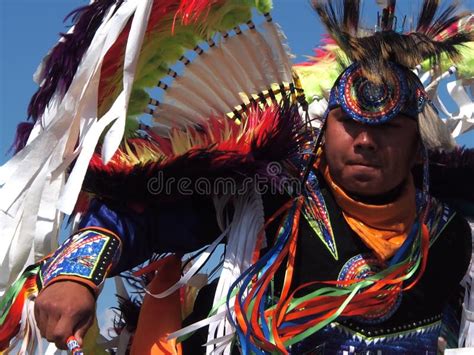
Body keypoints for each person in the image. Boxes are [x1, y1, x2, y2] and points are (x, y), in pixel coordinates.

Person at [1, 0, 473, 354]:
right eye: (350, 124)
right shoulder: (273, 194)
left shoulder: (449, 228)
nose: (366, 141)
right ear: (324, 130)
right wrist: (78, 274)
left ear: (417, 147)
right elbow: (146, 213)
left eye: (388, 128)